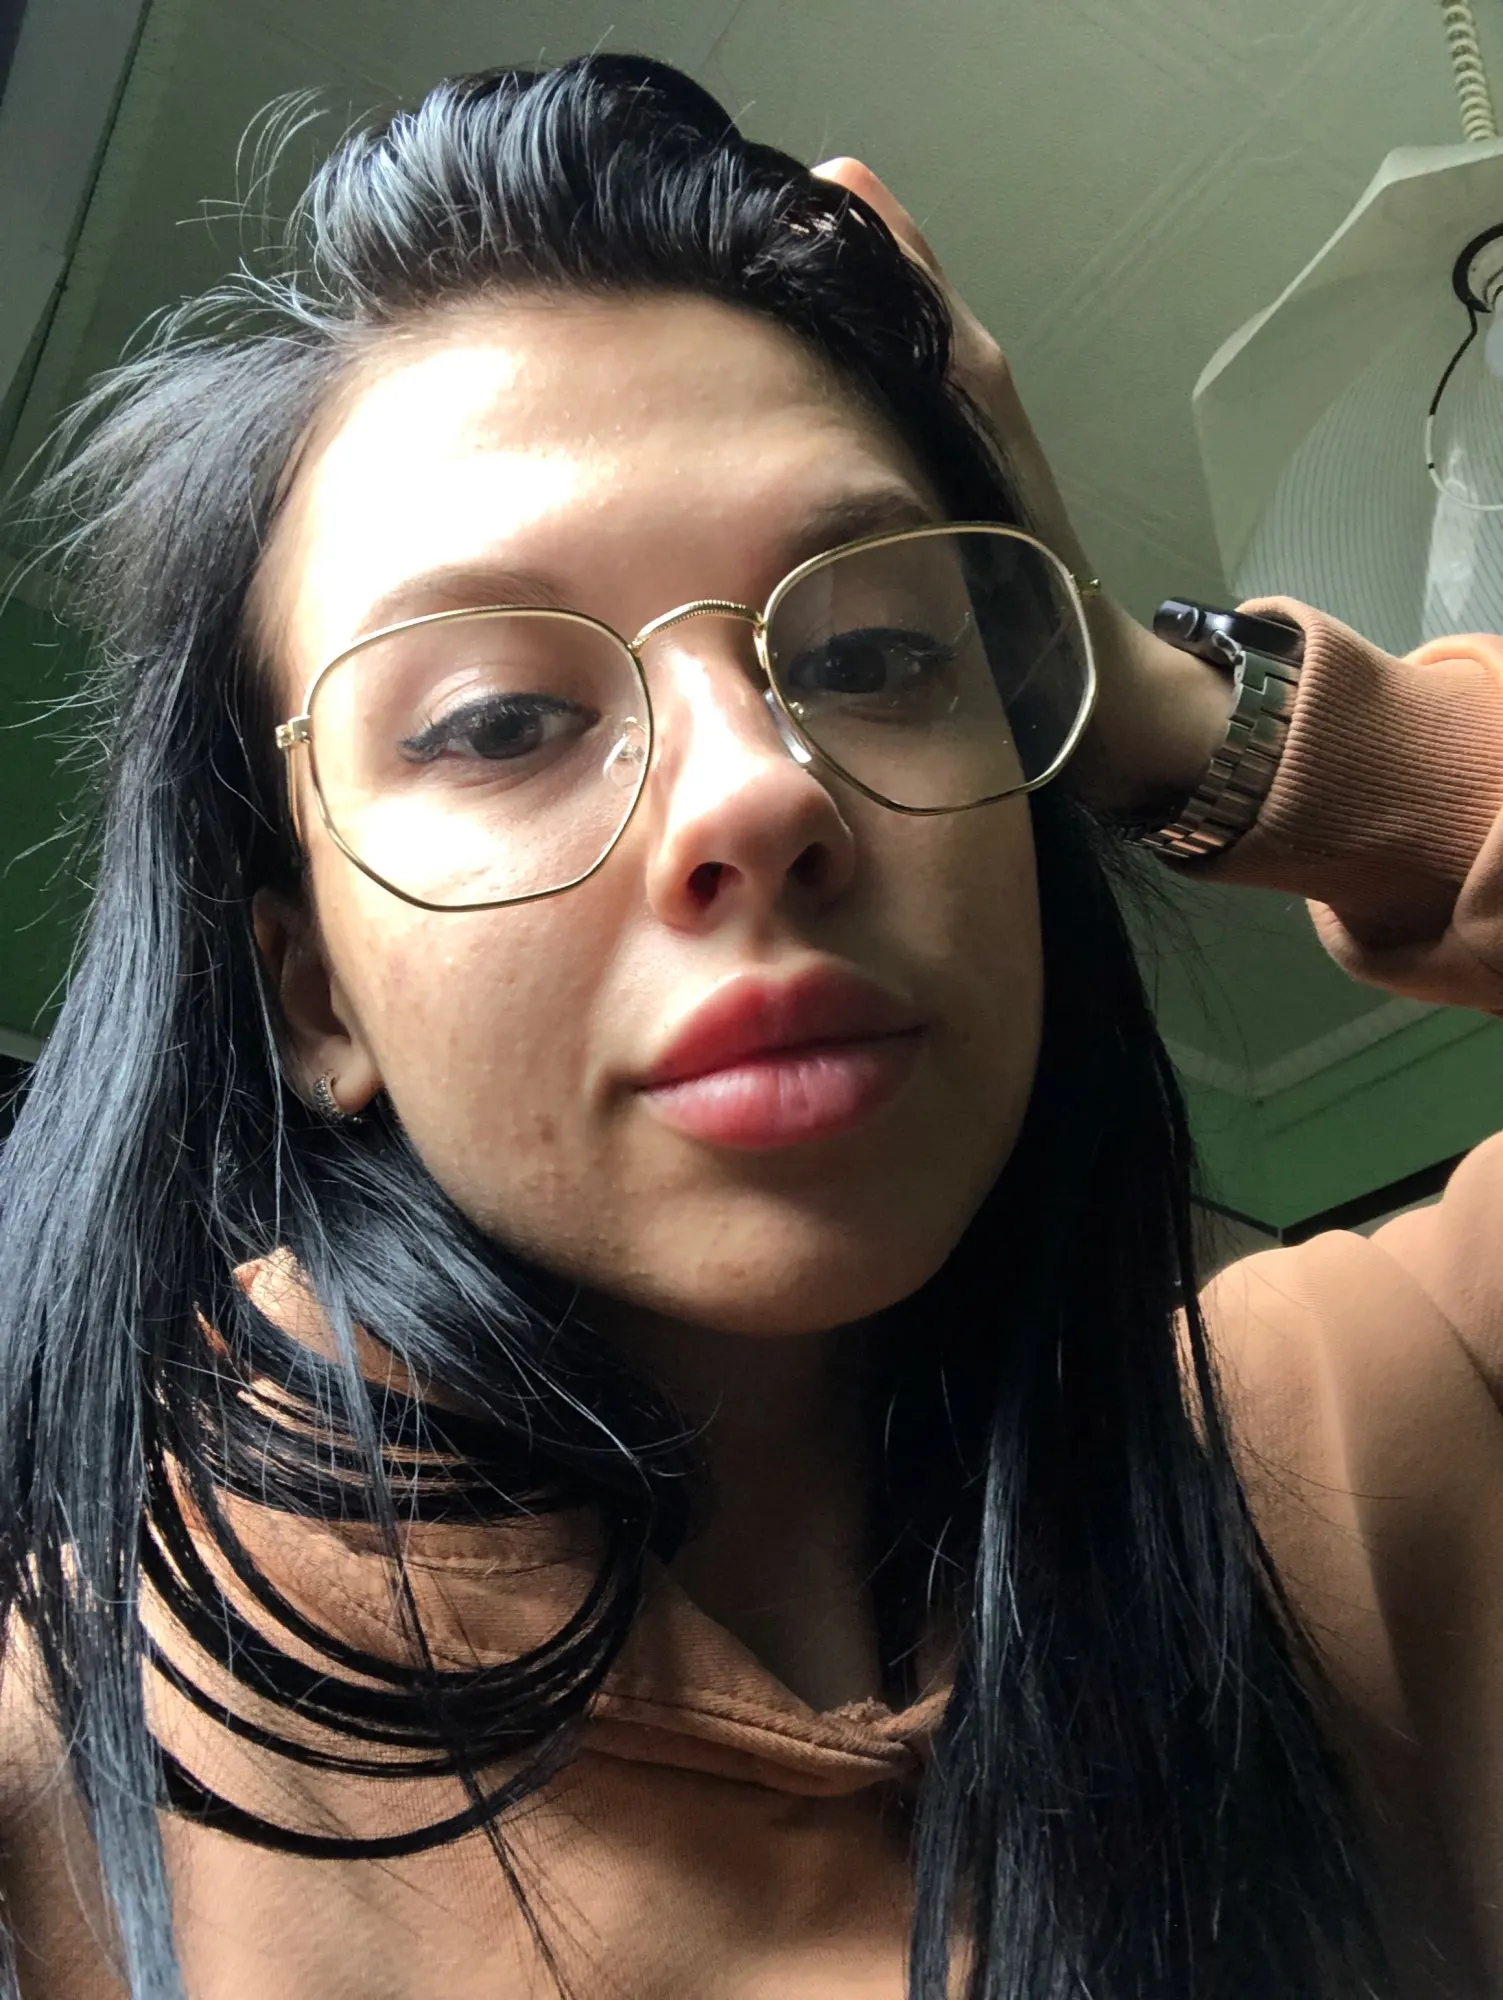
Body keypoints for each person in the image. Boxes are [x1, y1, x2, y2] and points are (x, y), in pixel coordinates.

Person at [0, 51, 1499, 2000]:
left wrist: (1141, 704)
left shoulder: (1383, 1441)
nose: (761, 790)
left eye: (874, 652)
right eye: (500, 721)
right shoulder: (59, 1760)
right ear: (315, 993)